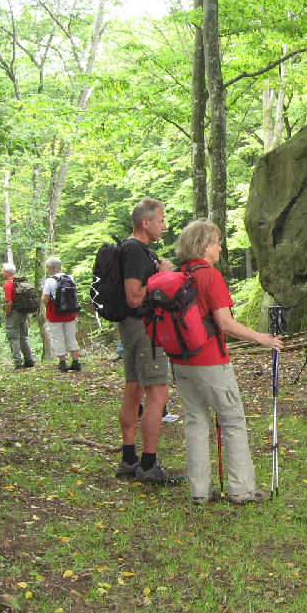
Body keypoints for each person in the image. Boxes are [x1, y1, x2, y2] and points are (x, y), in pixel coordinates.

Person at [172, 219, 282, 505]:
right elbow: (226, 324)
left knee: (195, 421)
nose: (219, 247)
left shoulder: (179, 274)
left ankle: (199, 491)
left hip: (181, 362)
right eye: (216, 242)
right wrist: (263, 338)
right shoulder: (210, 277)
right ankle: (242, 489)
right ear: (205, 246)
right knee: (232, 420)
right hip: (210, 361)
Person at [113, 198, 181, 486]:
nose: (163, 226)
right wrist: (162, 275)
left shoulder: (131, 250)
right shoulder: (136, 252)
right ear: (145, 222)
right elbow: (134, 296)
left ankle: (129, 458)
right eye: (160, 220)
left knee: (135, 388)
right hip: (143, 328)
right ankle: (149, 464)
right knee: (158, 393)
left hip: (131, 327)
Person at [41, 257, 81, 372]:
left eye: (48, 268)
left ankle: (62, 362)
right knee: (71, 336)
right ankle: (76, 362)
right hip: (70, 313)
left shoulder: (50, 281)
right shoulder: (70, 278)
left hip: (55, 314)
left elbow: (45, 299)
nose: (48, 270)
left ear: (52, 268)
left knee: (58, 337)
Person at [0, 262, 34, 369]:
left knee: (13, 338)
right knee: (23, 337)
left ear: (8, 273)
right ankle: (29, 360)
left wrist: (7, 313)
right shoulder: (18, 282)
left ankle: (18, 362)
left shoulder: (7, 284)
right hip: (23, 313)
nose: (1, 273)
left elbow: (9, 302)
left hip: (14, 313)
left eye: (3, 271)